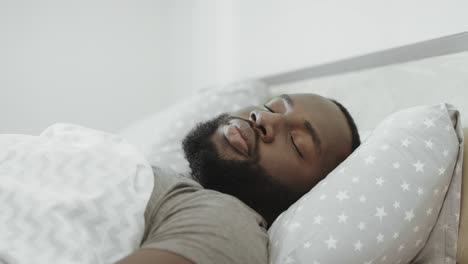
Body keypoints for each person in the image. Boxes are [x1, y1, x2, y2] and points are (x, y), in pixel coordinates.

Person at [118, 93, 361, 264]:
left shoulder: (227, 224)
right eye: (270, 107)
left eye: (297, 143)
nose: (262, 118)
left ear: (309, 195)